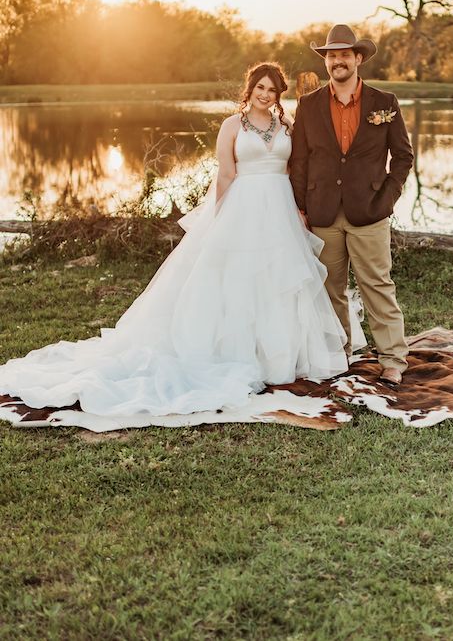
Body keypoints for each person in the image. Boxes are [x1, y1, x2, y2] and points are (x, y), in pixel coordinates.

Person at [0, 63, 355, 428]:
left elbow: (293, 168)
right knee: (238, 281)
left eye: (273, 91)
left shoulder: (286, 126)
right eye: (261, 88)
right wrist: (217, 220)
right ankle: (237, 355)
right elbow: (227, 173)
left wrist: (299, 209)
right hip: (244, 209)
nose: (266, 96)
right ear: (249, 90)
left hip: (280, 210)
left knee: (279, 282)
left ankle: (280, 359)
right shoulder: (232, 126)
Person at [290, 24, 414, 386]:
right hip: (323, 213)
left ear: (358, 59)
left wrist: (387, 198)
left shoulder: (384, 103)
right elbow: (299, 161)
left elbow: (403, 157)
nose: (338, 61)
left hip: (370, 212)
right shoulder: (309, 105)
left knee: (377, 284)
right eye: (331, 56)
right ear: (326, 62)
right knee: (330, 288)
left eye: (345, 54)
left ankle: (392, 359)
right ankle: (338, 353)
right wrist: (301, 207)